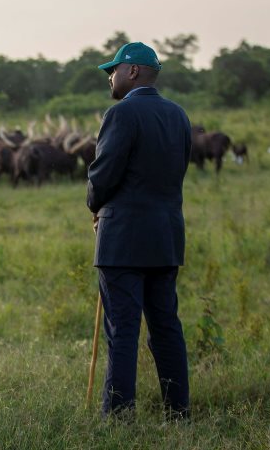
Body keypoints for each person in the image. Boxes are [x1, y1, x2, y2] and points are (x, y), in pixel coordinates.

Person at [86, 42, 191, 419]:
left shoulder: (121, 114)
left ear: (132, 71)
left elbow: (103, 175)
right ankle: (178, 413)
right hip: (165, 238)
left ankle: (118, 417)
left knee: (123, 331)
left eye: (113, 70)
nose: (109, 77)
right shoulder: (179, 115)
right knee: (166, 328)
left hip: (123, 241)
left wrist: (95, 205)